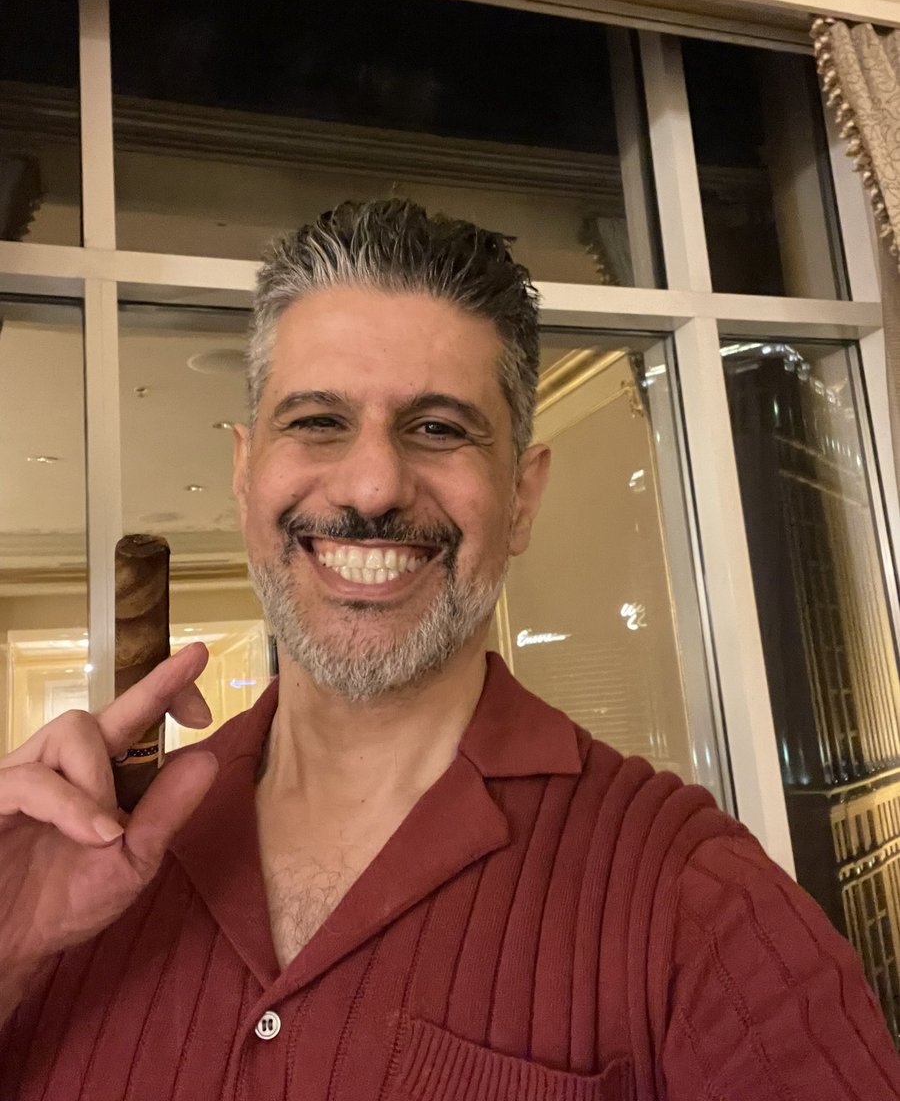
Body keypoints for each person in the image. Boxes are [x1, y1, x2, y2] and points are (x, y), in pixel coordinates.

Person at [0, 199, 897, 1101]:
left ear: (522, 499)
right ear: (243, 475)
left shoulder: (700, 905)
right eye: (317, 421)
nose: (373, 486)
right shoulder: (63, 880)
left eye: (438, 428)